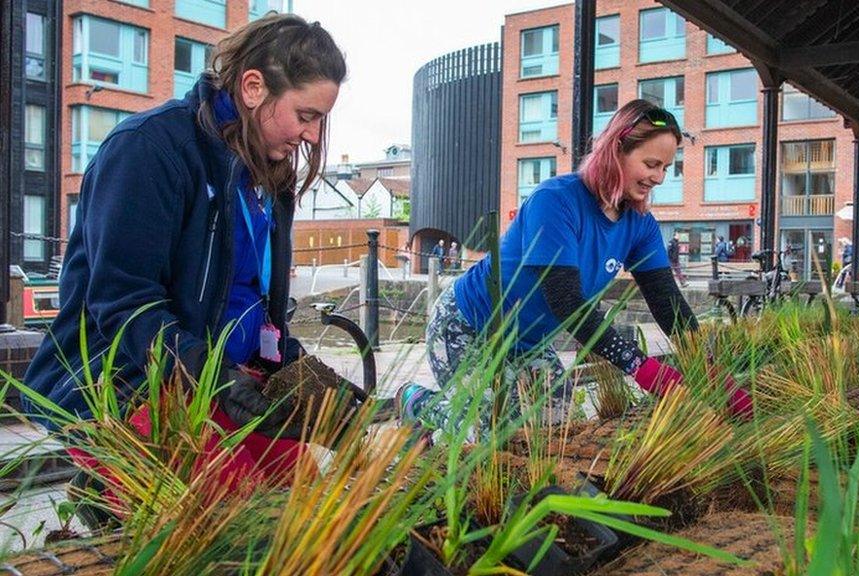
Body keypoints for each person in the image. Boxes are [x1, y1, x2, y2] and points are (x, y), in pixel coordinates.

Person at [21, 14, 346, 502]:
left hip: (216, 386)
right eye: (306, 116)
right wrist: (212, 377)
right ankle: (117, 483)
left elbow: (250, 303)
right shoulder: (148, 150)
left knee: (306, 500)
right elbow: (123, 303)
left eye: (321, 119)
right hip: (126, 385)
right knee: (233, 517)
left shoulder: (267, 173)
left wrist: (302, 374)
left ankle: (121, 497)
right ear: (253, 87)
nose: (314, 137)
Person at [396, 99, 752, 436]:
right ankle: (417, 403)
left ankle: (446, 425)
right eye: (651, 164)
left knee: (555, 433)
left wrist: (710, 370)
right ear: (616, 151)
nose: (659, 178)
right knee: (490, 432)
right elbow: (567, 301)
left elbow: (667, 302)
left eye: (665, 168)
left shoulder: (639, 224)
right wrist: (641, 368)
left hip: (528, 343)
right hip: (467, 326)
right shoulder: (556, 201)